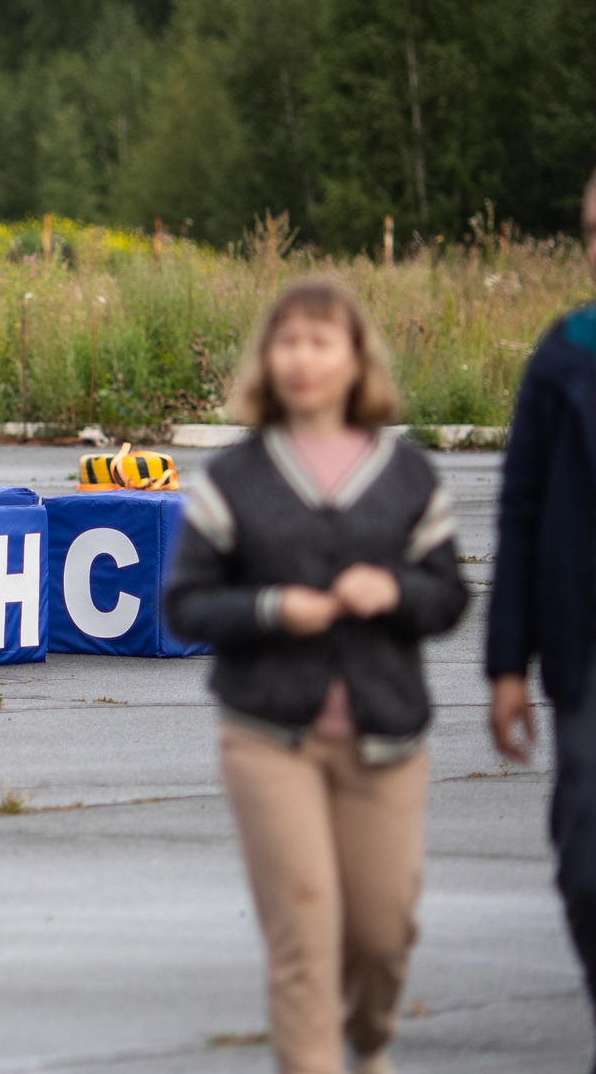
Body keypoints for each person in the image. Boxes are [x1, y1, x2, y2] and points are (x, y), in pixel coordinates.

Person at [165, 280, 467, 1074]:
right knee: (303, 931)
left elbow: (448, 597)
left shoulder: (407, 475)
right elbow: (186, 604)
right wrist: (270, 608)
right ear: (267, 359)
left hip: (386, 740)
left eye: (321, 341)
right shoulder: (235, 479)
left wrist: (395, 590)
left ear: (355, 358)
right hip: (269, 739)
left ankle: (370, 1042)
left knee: (380, 932)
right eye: (287, 342)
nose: (302, 358)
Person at [490, 152, 596, 1066]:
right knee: (590, 868)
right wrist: (504, 666)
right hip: (592, 653)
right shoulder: (564, 356)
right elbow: (521, 514)